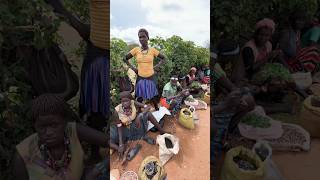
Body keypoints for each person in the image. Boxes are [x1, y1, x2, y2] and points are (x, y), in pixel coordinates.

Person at [45, 0, 109, 162]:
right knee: (96, 109)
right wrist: (75, 23)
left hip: (108, 55)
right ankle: (95, 152)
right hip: (99, 56)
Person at [13, 94, 109, 180]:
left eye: (54, 125)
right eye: (42, 127)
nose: (48, 132)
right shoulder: (23, 155)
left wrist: (99, 169)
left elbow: (109, 141)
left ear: (65, 122)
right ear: (35, 126)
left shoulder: (72, 131)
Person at [110, 91, 169, 156]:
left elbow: (147, 106)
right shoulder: (117, 111)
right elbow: (119, 126)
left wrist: (141, 115)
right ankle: (143, 137)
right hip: (127, 128)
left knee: (148, 114)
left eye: (127, 101)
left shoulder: (133, 103)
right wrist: (121, 143)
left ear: (130, 100)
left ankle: (161, 131)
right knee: (125, 135)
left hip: (137, 122)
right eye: (122, 101)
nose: (125, 103)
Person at [123, 29, 166, 110]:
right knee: (139, 95)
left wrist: (157, 66)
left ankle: (156, 108)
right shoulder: (136, 50)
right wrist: (133, 68)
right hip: (140, 76)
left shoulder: (153, 50)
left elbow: (163, 58)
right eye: (140, 37)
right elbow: (125, 58)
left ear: (147, 37)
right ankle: (139, 110)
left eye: (143, 37)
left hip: (151, 76)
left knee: (152, 94)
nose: (141, 39)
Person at [277, 9, 320, 74]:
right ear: (292, 21)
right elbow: (278, 54)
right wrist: (288, 68)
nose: (301, 23)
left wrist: (300, 62)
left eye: (302, 20)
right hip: (286, 63)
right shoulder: (286, 33)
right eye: (298, 20)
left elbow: (296, 52)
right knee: (314, 51)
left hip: (294, 61)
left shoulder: (298, 32)